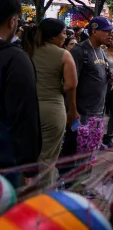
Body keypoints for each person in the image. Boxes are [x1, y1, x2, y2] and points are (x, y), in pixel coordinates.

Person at [22, 18, 76, 168]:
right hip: (51, 111)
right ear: (53, 36)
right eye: (64, 33)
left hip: (25, 110)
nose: (65, 37)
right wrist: (72, 110)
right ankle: (42, 190)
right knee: (47, 158)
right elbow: (70, 85)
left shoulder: (26, 49)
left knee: (25, 157)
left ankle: (21, 190)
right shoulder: (63, 54)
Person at [0, 0, 41, 173]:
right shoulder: (15, 58)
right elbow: (24, 114)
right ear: (12, 22)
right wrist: (29, 165)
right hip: (6, 161)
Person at [70, 16, 113, 154]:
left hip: (98, 112)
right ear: (94, 31)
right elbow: (70, 84)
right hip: (81, 112)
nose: (110, 35)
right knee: (76, 151)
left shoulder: (101, 51)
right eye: (106, 31)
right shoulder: (79, 51)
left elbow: (110, 73)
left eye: (111, 31)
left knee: (90, 152)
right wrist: (72, 110)